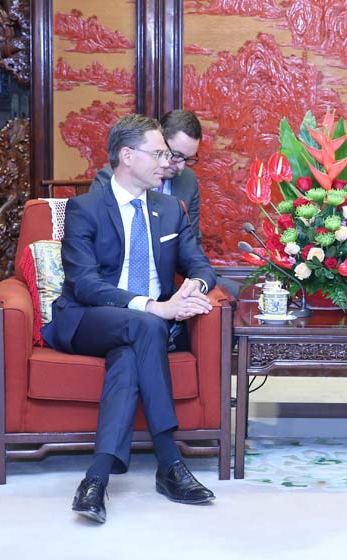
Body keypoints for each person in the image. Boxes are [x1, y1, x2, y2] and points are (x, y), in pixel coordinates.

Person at [43, 114, 219, 524]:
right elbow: (84, 284)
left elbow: (200, 265)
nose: (166, 162)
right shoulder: (85, 209)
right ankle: (170, 463)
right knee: (148, 324)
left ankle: (96, 478)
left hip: (140, 331)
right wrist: (153, 306)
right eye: (157, 154)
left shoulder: (170, 210)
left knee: (128, 356)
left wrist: (193, 288)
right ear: (127, 156)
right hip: (87, 319)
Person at [91, 109, 241, 298]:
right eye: (175, 155)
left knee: (241, 293)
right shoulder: (113, 179)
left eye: (188, 159)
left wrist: (196, 283)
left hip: (170, 278)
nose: (180, 166)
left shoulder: (187, 181)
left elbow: (192, 247)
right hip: (120, 284)